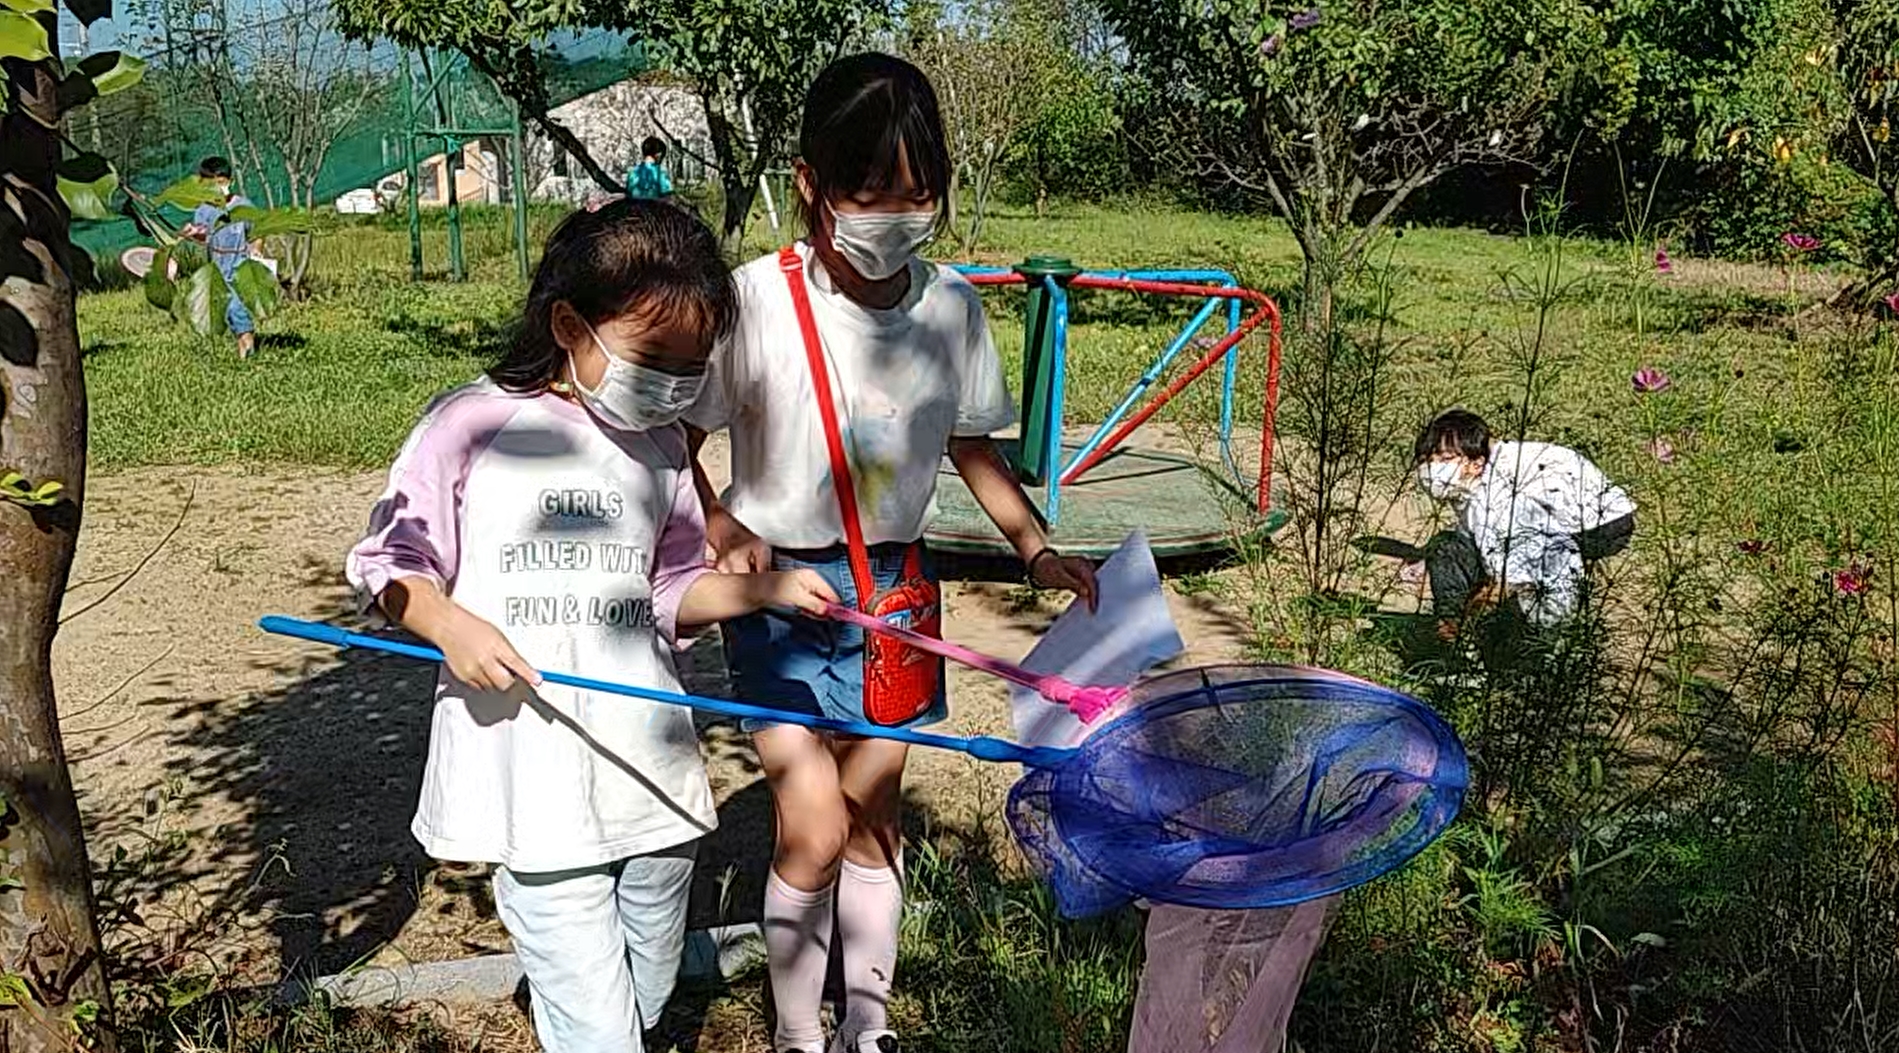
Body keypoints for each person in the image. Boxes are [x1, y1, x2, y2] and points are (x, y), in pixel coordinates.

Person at [345, 198, 839, 1053]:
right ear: (569, 323)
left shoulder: (658, 448)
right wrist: (444, 620)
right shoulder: (471, 425)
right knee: (601, 1025)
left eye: (693, 369)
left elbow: (668, 589)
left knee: (648, 962)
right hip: (530, 770)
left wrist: (764, 593)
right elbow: (388, 561)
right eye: (655, 360)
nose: (675, 389)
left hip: (645, 762)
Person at [683, 53, 1098, 1053]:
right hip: (777, 596)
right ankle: (796, 1032)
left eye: (917, 195)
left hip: (898, 594)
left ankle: (865, 1027)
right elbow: (678, 437)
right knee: (814, 822)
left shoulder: (950, 310)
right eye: (870, 192)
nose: (895, 216)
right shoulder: (754, 301)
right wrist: (720, 524)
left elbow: (970, 444)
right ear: (810, 184)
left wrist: (1035, 548)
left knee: (873, 819)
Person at [1412, 409, 1636, 630]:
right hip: (1604, 513)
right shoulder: (1496, 465)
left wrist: (1479, 605)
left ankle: (1468, 630)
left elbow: (1506, 562)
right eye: (1426, 460)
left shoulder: (1500, 489)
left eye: (1444, 458)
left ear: (1476, 463)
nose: (1432, 468)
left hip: (1597, 526)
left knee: (1460, 555)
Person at [181, 156, 258, 359]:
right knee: (228, 311)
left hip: (241, 266)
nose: (217, 188)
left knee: (237, 306)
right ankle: (244, 348)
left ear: (229, 181)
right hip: (218, 269)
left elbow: (257, 232)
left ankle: (249, 351)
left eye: (220, 182)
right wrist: (192, 233)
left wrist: (257, 250)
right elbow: (203, 236)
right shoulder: (204, 210)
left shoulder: (243, 206)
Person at [627, 137, 675, 201]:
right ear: (659, 154)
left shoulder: (632, 172)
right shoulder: (661, 173)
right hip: (656, 209)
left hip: (636, 209)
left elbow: (629, 194)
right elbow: (668, 197)